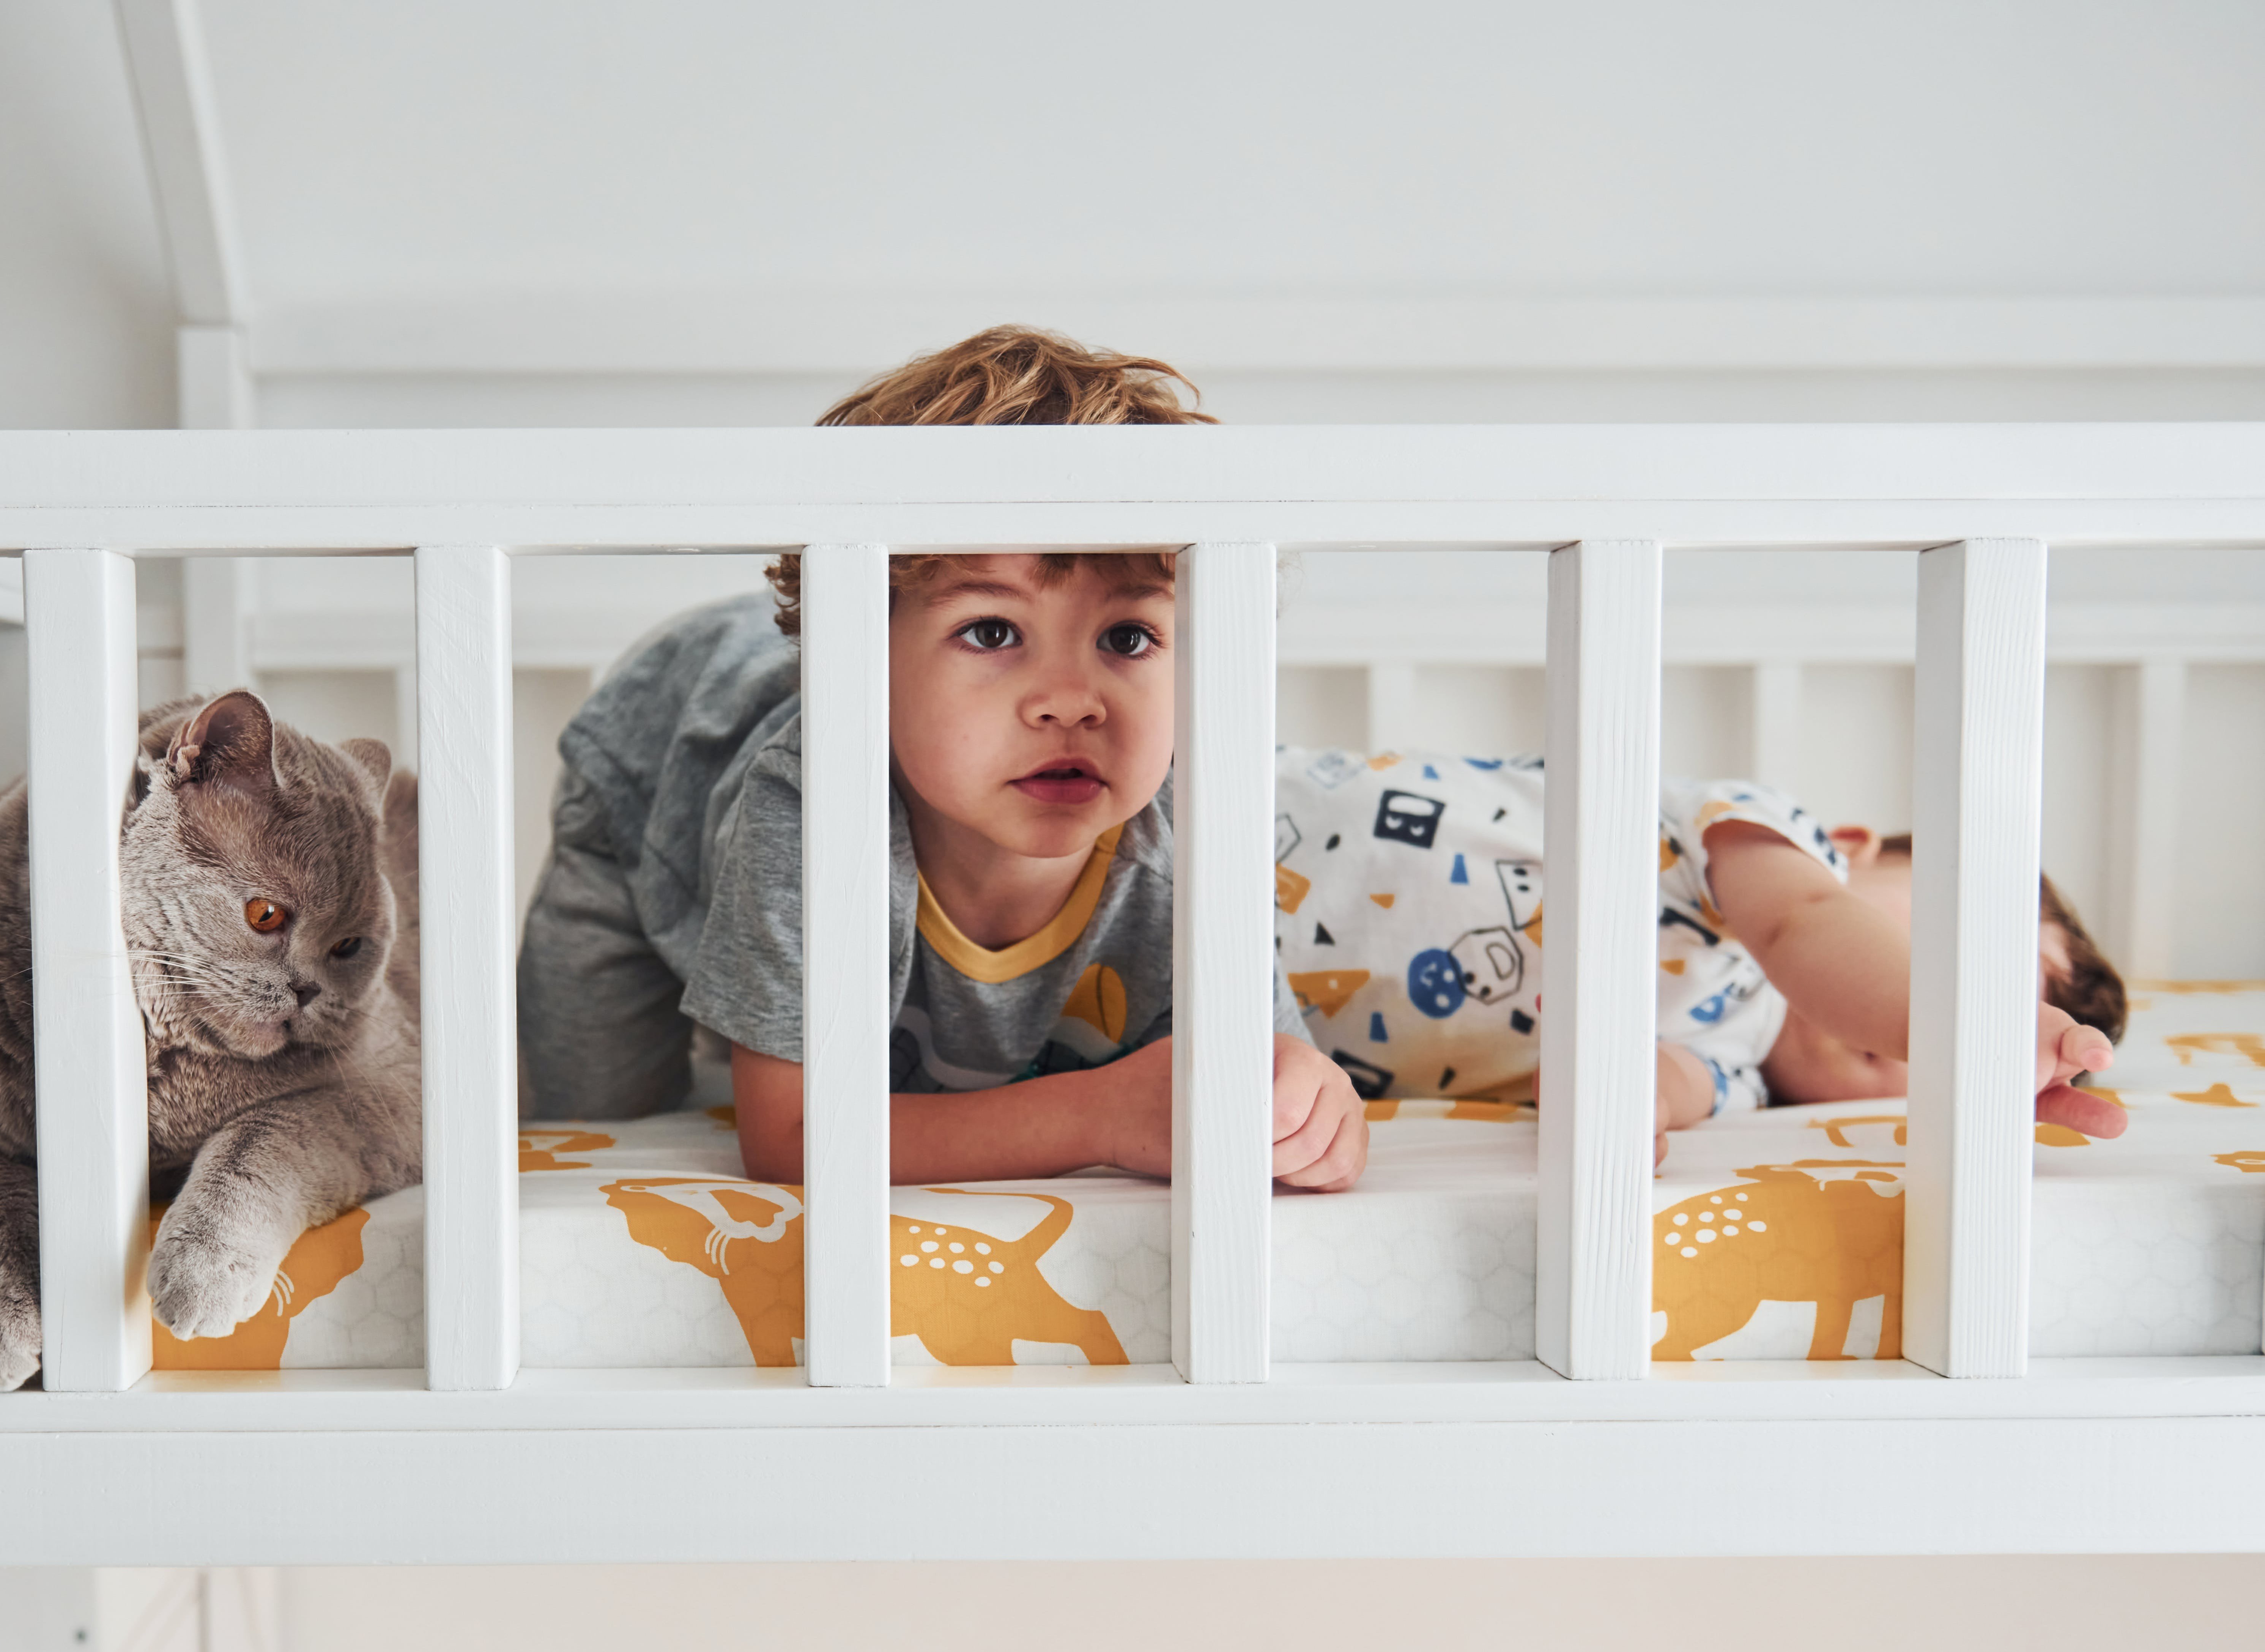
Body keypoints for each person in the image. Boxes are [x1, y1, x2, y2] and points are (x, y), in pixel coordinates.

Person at [518, 327, 1368, 1192]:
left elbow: (1261, 1071)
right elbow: (790, 1136)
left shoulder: (1196, 820)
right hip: (651, 772)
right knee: (594, 1113)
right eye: (993, 631)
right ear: (858, 662)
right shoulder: (814, 805)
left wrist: (1306, 1102)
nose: (1070, 698)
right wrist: (1101, 1111)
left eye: (1127, 635)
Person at [1272, 754, 2127, 1159]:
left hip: (1188, 1004)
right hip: (1217, 812)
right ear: (1849, 847)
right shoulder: (1748, 851)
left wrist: (1615, 1097)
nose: (1944, 993)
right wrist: (1965, 1028)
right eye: (1959, 954)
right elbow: (1805, 925)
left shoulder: (1734, 1072)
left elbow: (1653, 1078)